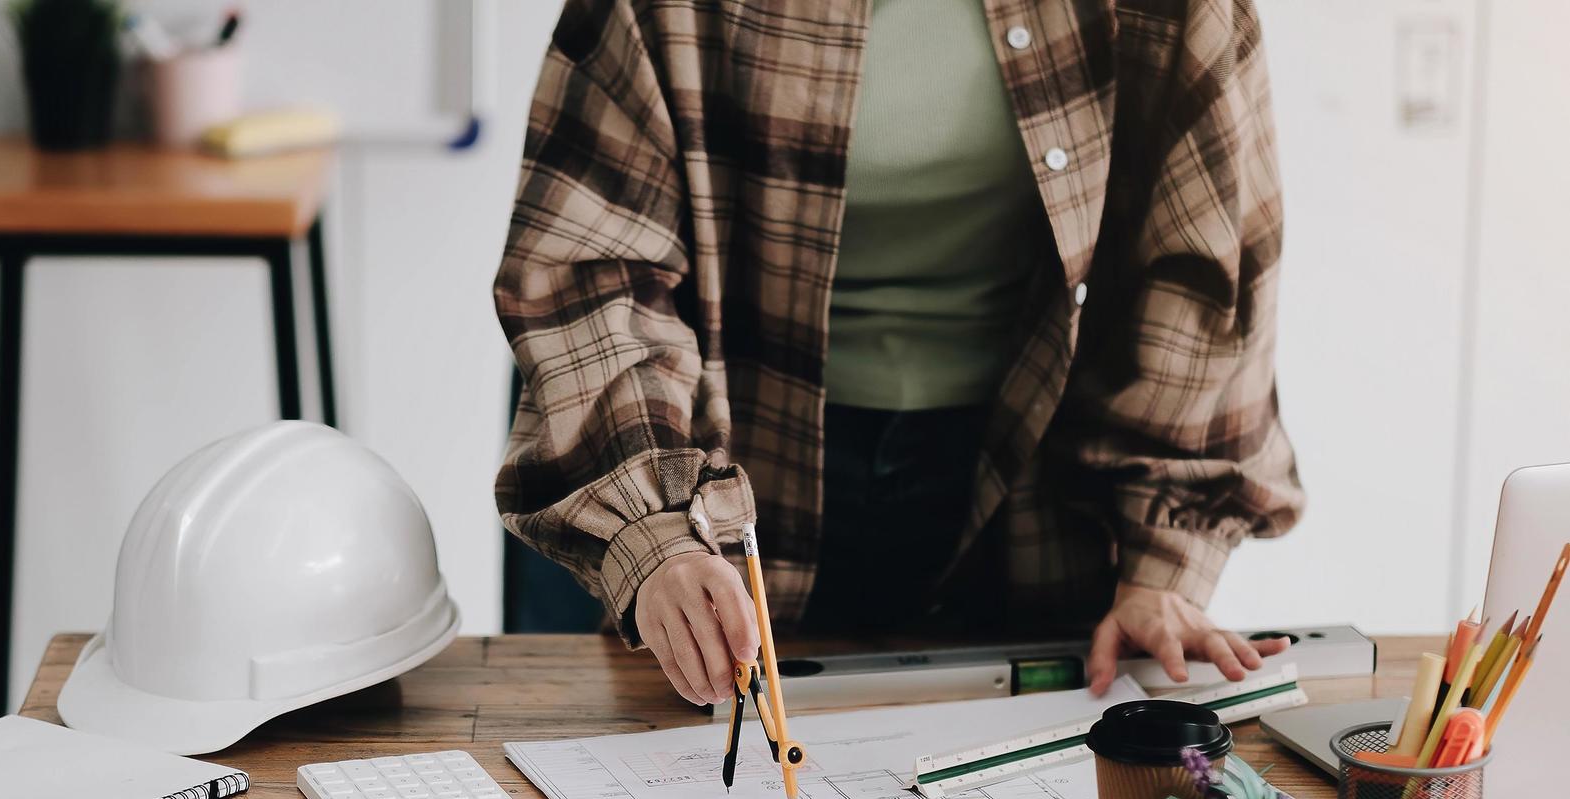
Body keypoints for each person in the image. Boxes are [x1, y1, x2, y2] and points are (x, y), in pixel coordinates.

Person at [494, 0, 1304, 705]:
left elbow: (1204, 265)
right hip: (723, 462)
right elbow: (590, 273)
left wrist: (1164, 565)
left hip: (1030, 477)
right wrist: (657, 531)